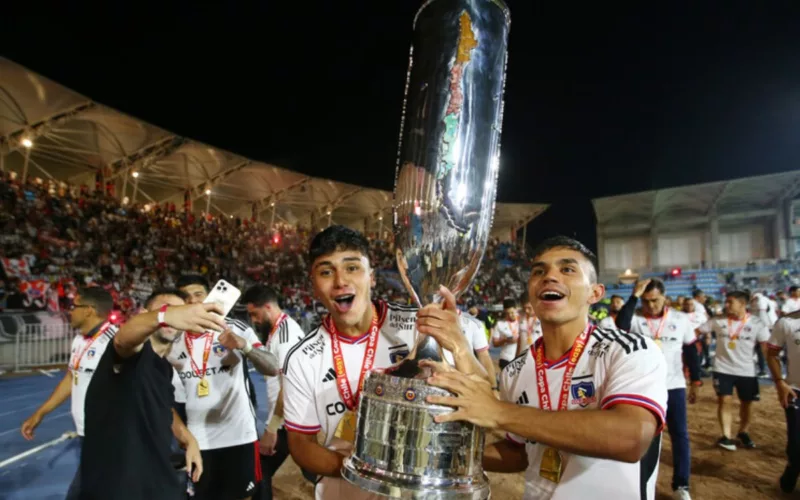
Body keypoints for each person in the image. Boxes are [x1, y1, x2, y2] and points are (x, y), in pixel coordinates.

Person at [424, 236, 668, 499]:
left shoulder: (628, 349)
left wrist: (498, 410)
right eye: (539, 271)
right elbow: (520, 452)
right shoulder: (515, 372)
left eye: (567, 269)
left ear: (594, 293)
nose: (549, 276)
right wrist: (443, 455)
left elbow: (631, 438)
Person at [281, 225, 487, 500]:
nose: (341, 280)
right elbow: (301, 446)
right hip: (343, 490)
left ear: (372, 277)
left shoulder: (418, 326)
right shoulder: (302, 358)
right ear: (314, 287)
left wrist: (460, 346)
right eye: (326, 271)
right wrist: (369, 475)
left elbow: (487, 400)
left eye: (352, 267)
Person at [80, 289, 217, 500]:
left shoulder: (164, 367)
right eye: (166, 308)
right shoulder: (133, 353)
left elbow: (164, 406)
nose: (174, 315)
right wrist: (164, 316)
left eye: (179, 310)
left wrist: (188, 438)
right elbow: (122, 340)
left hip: (156, 482)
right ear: (144, 313)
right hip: (118, 488)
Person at [169, 283, 280, 500]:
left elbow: (273, 367)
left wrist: (245, 346)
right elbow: (171, 398)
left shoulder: (234, 327)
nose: (193, 301)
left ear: (209, 297)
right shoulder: (173, 341)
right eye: (186, 297)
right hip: (198, 442)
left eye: (198, 295)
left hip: (239, 437)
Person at [21, 287, 116, 500]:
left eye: (74, 307)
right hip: (86, 431)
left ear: (89, 310)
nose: (70, 311)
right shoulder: (79, 340)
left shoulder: (115, 342)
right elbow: (71, 378)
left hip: (107, 434)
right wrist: (41, 413)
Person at [617, 278, 701, 500]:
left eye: (654, 301)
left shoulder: (681, 319)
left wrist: (696, 381)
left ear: (665, 297)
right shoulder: (635, 319)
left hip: (674, 386)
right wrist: (634, 296)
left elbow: (691, 352)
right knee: (647, 437)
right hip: (646, 388)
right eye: (645, 301)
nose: (650, 306)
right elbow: (620, 327)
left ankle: (681, 485)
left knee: (680, 435)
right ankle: (643, 484)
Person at [241, 284, 307, 500]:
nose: (254, 320)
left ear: (268, 307)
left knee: (261, 471)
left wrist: (272, 428)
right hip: (285, 420)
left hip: (287, 422)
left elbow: (289, 384)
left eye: (255, 314)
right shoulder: (277, 332)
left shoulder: (286, 336)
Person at [697, 290, 769, 451]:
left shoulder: (757, 323)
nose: (726, 305)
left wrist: (772, 366)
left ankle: (743, 431)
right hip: (722, 369)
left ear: (742, 304)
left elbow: (765, 346)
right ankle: (726, 436)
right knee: (724, 400)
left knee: (747, 403)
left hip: (747, 370)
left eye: (730, 302)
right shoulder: (718, 320)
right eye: (726, 302)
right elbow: (696, 332)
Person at [766, 310, 800, 493]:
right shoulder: (787, 323)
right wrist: (780, 382)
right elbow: (772, 354)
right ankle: (793, 467)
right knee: (796, 446)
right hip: (795, 391)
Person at [492, 298, 520, 369]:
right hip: (506, 358)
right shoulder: (500, 324)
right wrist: (505, 340)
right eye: (508, 313)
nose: (510, 315)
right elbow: (495, 343)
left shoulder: (523, 322)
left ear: (516, 309)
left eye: (512, 312)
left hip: (521, 359)